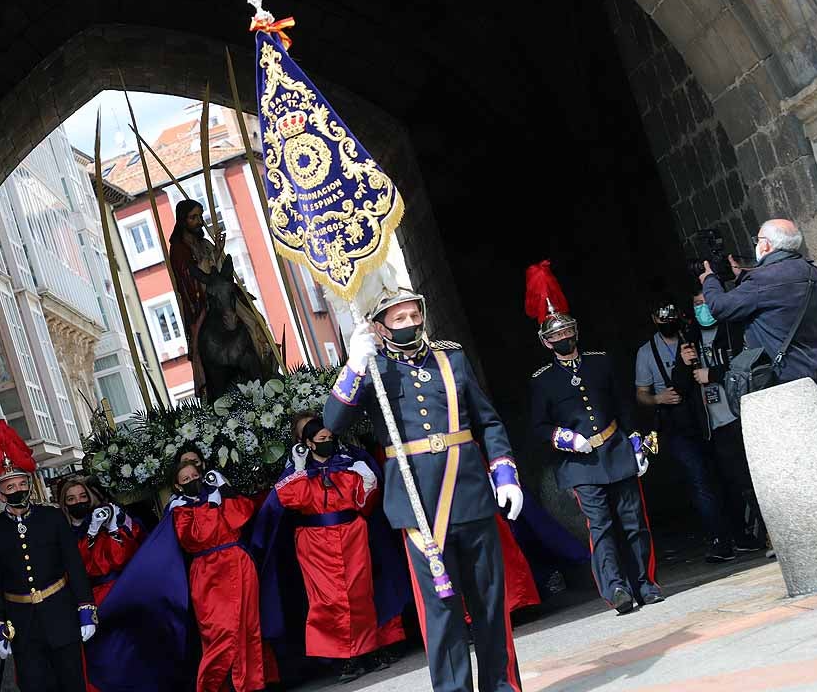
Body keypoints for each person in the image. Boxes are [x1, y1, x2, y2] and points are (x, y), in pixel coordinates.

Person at [323, 287, 523, 692]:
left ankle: (501, 687)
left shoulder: (452, 359)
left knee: (489, 604)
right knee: (442, 612)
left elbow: (488, 422)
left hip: (469, 495)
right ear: (380, 327)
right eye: (398, 319)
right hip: (418, 508)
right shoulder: (374, 369)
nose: (409, 324)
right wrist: (354, 365)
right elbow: (333, 421)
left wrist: (505, 473)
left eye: (414, 315)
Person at [526, 261, 662, 615]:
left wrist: (635, 441)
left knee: (633, 523)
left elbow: (623, 406)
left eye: (567, 331)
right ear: (545, 341)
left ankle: (645, 584)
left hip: (616, 450)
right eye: (555, 335)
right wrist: (565, 438)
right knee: (600, 528)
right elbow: (538, 427)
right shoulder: (542, 381)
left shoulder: (600, 362)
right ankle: (616, 588)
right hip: (581, 464)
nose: (563, 338)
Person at [270, 414, 405, 682]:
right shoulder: (297, 472)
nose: (327, 443)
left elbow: (364, 502)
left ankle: (367, 650)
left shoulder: (347, 464)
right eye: (321, 439)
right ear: (308, 443)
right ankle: (344, 659)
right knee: (327, 601)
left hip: (351, 535)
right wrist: (298, 470)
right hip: (315, 541)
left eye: (330, 438)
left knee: (359, 595)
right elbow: (290, 499)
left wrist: (367, 481)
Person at [0, 416, 97, 692]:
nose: (17, 490)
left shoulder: (52, 518)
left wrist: (85, 610)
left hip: (60, 616)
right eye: (10, 487)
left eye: (21, 484)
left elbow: (74, 566)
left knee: (73, 685)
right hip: (22, 626)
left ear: (29, 484)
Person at [700, 218, 817, 412]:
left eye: (758, 240)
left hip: (787, 382)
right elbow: (779, 299)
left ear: (765, 244)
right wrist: (743, 277)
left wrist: (709, 280)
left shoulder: (762, 281)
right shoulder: (810, 271)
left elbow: (719, 307)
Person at [635, 300, 734, 562]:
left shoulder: (692, 340)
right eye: (662, 316)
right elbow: (640, 395)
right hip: (676, 425)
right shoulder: (646, 353)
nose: (668, 321)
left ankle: (739, 532)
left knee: (724, 474)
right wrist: (658, 399)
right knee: (699, 479)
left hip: (708, 417)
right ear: (654, 319)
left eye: (672, 315)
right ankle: (718, 538)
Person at [678, 290, 766, 552]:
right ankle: (742, 536)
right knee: (729, 483)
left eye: (706, 302)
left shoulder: (732, 330)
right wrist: (684, 365)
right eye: (697, 304)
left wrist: (713, 373)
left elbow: (747, 365)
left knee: (751, 478)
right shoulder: (690, 339)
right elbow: (681, 387)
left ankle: (770, 531)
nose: (702, 308)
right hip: (712, 424)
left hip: (737, 415)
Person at [169, 460, 264, 692]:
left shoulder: (217, 493)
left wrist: (226, 491)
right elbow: (196, 537)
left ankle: (250, 684)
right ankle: (215, 686)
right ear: (178, 486)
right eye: (186, 479)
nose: (193, 481)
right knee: (219, 631)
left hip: (238, 563)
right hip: (208, 572)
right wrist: (211, 507)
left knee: (247, 626)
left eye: (195, 475)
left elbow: (242, 515)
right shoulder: (179, 509)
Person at [168, 199, 277, 400]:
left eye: (200, 216)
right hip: (203, 298)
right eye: (193, 217)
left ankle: (265, 357)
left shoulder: (203, 243)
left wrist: (217, 251)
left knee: (253, 320)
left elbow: (218, 267)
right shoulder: (178, 249)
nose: (199, 221)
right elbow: (187, 277)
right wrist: (206, 268)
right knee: (200, 336)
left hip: (221, 289)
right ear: (183, 220)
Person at [60, 478, 144, 605]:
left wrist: (113, 526)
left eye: (83, 496)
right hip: (95, 598)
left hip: (123, 588)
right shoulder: (64, 533)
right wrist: (91, 533)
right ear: (65, 504)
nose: (78, 502)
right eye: (71, 499)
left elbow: (121, 557)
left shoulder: (102, 519)